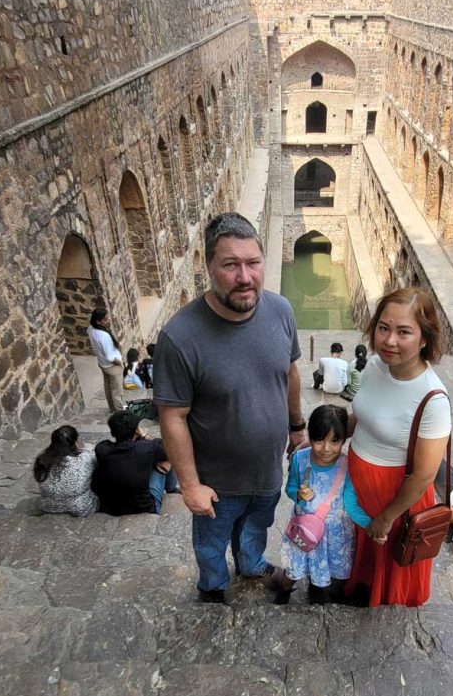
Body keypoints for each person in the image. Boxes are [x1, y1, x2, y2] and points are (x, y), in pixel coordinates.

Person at [153, 212, 305, 604]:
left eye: (253, 263)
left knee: (256, 527)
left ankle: (251, 565)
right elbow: (173, 416)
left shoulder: (280, 311)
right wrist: (189, 485)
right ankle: (214, 587)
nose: (245, 277)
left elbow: (288, 373)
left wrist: (296, 427)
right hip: (216, 485)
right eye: (230, 265)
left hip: (267, 471)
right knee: (211, 543)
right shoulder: (181, 336)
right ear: (209, 267)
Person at [344, 287, 451, 607]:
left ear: (424, 339)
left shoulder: (432, 398)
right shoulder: (376, 366)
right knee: (362, 551)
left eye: (403, 332)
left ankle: (386, 604)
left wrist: (388, 517)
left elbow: (423, 476)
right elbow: (363, 414)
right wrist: (330, 440)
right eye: (383, 328)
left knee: (387, 556)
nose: (389, 340)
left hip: (393, 495)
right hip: (358, 482)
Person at [275, 405, 370, 605]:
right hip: (305, 531)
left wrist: (372, 525)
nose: (326, 448)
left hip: (335, 535)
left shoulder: (347, 465)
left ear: (344, 440)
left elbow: (350, 504)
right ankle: (284, 591)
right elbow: (290, 488)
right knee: (294, 569)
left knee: (329, 573)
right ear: (310, 436)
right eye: (319, 440)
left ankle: (321, 594)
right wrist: (299, 496)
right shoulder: (300, 459)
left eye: (334, 441)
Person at [93, 410, 177, 516]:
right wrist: (145, 435)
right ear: (136, 431)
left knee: (154, 457)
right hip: (146, 508)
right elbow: (171, 447)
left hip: (113, 508)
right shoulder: (146, 448)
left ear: (112, 432)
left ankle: (170, 486)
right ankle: (171, 489)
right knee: (165, 459)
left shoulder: (102, 449)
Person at [33, 425, 98, 517]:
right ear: (75, 442)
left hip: (48, 506)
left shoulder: (43, 460)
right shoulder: (84, 459)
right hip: (80, 507)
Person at [87, 306, 124, 413]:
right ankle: (120, 412)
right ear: (98, 322)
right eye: (105, 320)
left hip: (102, 363)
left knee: (108, 386)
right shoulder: (104, 336)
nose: (108, 321)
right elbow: (110, 357)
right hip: (112, 366)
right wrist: (120, 363)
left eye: (107, 318)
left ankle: (112, 408)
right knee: (117, 391)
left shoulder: (91, 329)